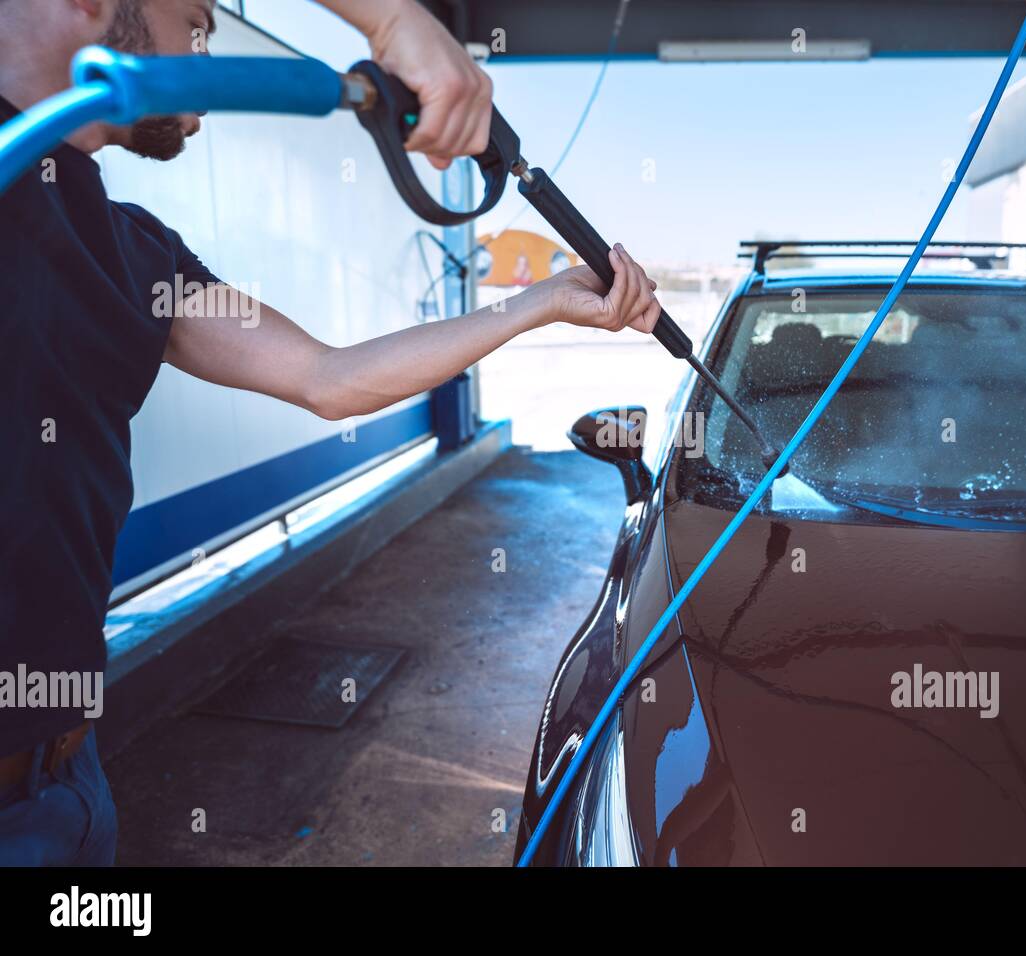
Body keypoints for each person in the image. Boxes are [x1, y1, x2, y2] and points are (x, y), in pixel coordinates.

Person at [0, 0, 662, 865]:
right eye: (199, 23)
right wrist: (391, 22)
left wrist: (538, 304)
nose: (212, 53)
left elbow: (330, 378)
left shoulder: (137, 256)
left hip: (69, 783)